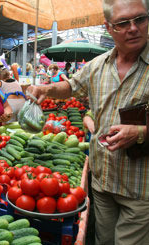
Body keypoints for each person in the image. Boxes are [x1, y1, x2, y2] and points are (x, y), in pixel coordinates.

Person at [27, 0, 149, 243]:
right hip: (102, 182)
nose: (133, 28)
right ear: (108, 27)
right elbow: (71, 86)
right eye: (123, 23)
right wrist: (47, 88)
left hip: (140, 188)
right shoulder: (97, 65)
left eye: (141, 19)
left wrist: (140, 132)